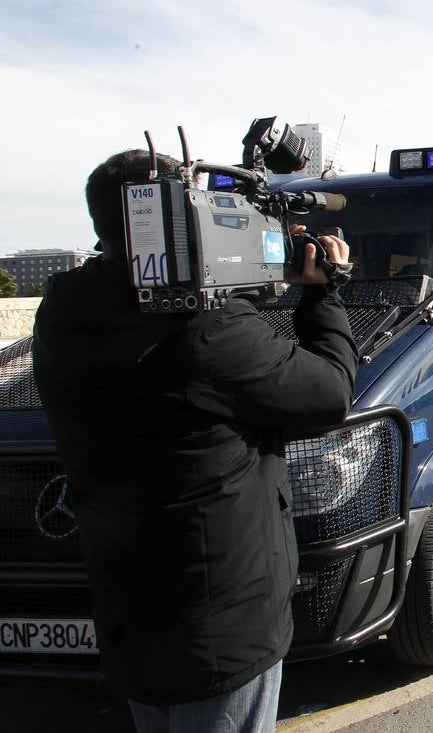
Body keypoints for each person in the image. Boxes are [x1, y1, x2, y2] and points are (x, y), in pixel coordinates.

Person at [33, 150, 358, 733]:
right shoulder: (206, 331)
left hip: (132, 619)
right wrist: (323, 292)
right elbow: (330, 392)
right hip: (221, 634)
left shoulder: (62, 313)